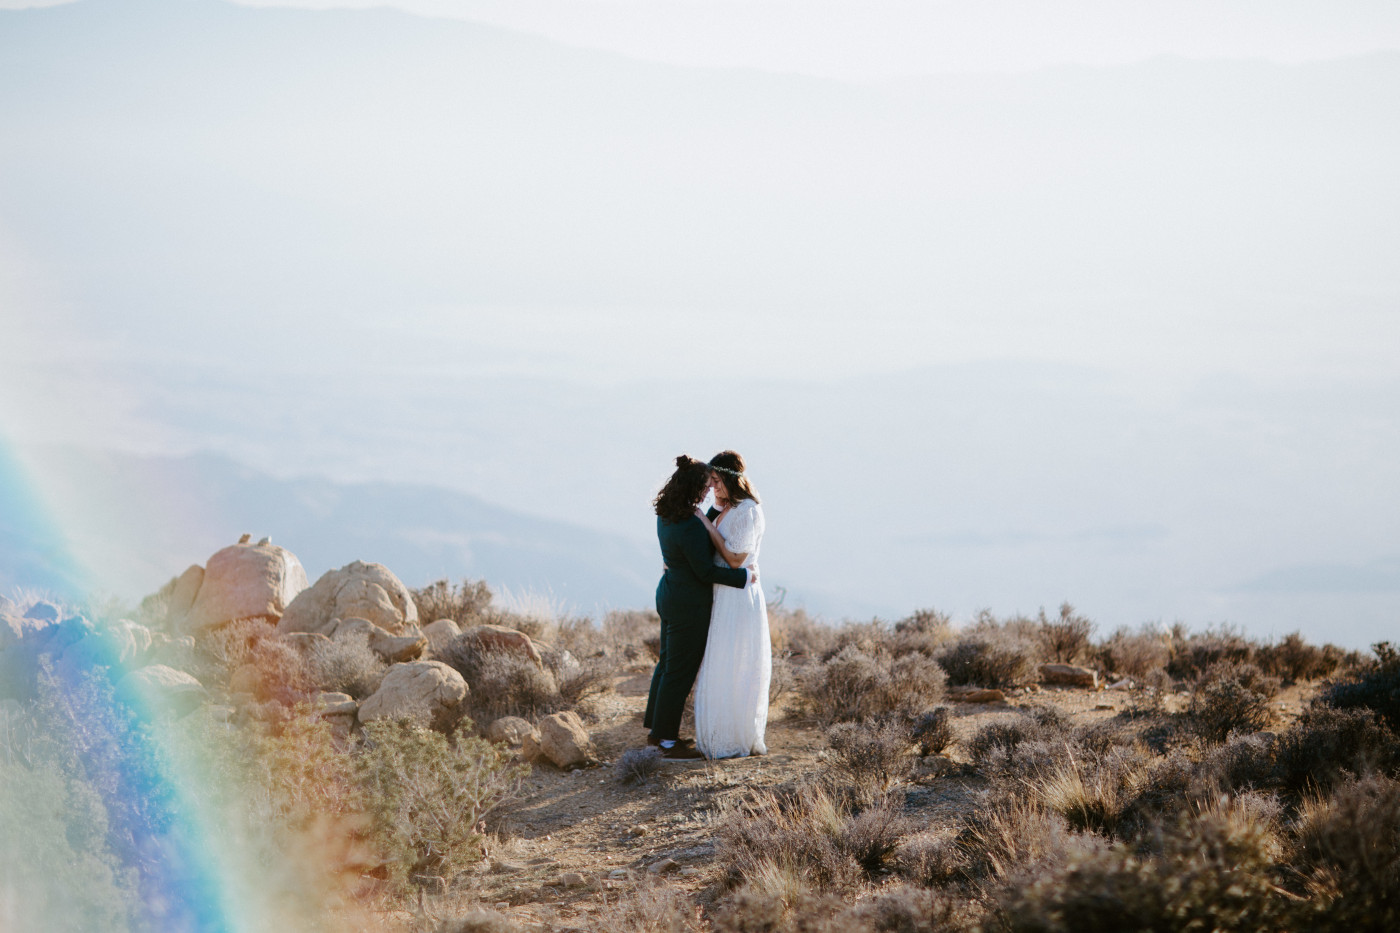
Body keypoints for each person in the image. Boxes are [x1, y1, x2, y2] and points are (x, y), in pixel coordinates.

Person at [643, 455, 754, 759]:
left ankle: (656, 731)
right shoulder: (689, 523)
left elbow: (691, 539)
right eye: (705, 487)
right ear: (693, 487)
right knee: (679, 672)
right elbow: (704, 571)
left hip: (669, 595)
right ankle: (666, 740)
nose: (708, 492)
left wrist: (711, 513)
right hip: (688, 604)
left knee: (667, 665)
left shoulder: (667, 513)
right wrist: (744, 576)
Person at [693, 450, 770, 758]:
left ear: (729, 479)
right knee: (719, 661)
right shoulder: (726, 507)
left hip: (739, 595)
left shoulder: (748, 510)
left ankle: (735, 735)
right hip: (721, 593)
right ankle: (717, 732)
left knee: (736, 662)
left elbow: (736, 559)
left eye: (716, 481)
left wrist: (705, 523)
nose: (713, 488)